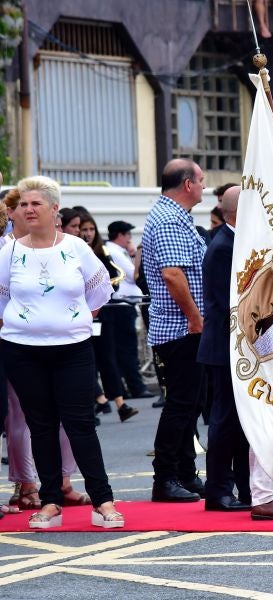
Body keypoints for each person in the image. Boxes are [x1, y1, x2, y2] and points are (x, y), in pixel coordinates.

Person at [0, 176, 124, 529]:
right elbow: (2, 297)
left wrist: (70, 320)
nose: (28, 209)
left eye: (36, 203)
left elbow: (98, 292)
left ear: (54, 209)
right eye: (23, 204)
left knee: (81, 424)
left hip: (73, 349)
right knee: (41, 426)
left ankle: (103, 501)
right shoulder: (9, 251)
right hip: (23, 351)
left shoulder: (75, 247)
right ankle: (51, 501)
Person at [143, 159, 208, 503]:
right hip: (180, 328)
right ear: (186, 184)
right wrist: (195, 318)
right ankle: (164, 478)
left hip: (184, 326)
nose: (203, 186)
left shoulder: (176, 217)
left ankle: (185, 473)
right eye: (200, 180)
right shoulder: (169, 220)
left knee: (191, 403)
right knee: (181, 405)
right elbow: (172, 275)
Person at [196, 187, 250, 512]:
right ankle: (217, 491)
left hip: (237, 345)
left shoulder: (236, 242)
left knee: (242, 423)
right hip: (224, 345)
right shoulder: (223, 247)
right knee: (225, 421)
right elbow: (230, 303)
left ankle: (247, 487)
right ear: (235, 212)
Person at [80, 214, 140, 422]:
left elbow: (116, 275)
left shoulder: (101, 250)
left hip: (103, 312)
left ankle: (118, 403)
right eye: (81, 229)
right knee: (85, 359)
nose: (87, 233)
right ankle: (99, 400)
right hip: (79, 314)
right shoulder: (72, 249)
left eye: (90, 229)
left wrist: (102, 288)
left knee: (107, 358)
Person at [105, 220, 154, 400]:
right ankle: (136, 387)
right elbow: (135, 275)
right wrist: (136, 254)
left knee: (122, 349)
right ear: (120, 235)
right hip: (122, 306)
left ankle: (128, 387)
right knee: (127, 349)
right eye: (128, 235)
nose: (129, 239)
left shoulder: (117, 251)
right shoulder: (115, 252)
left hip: (125, 305)